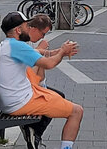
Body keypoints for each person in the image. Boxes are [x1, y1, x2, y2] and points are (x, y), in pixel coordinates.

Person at [0, 12, 83, 149]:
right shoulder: (18, 46)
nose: (28, 28)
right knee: (77, 111)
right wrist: (62, 52)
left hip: (12, 100)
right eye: (26, 25)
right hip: (20, 101)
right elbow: (49, 64)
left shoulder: (7, 44)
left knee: (57, 96)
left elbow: (38, 53)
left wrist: (60, 51)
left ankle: (33, 131)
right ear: (18, 30)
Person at [22, 14, 71, 148]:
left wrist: (53, 51)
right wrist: (41, 52)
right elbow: (37, 75)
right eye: (43, 33)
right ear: (33, 29)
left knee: (59, 96)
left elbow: (41, 74)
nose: (43, 37)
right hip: (26, 89)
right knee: (58, 98)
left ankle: (34, 132)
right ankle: (34, 132)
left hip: (32, 85)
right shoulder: (24, 44)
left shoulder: (32, 45)